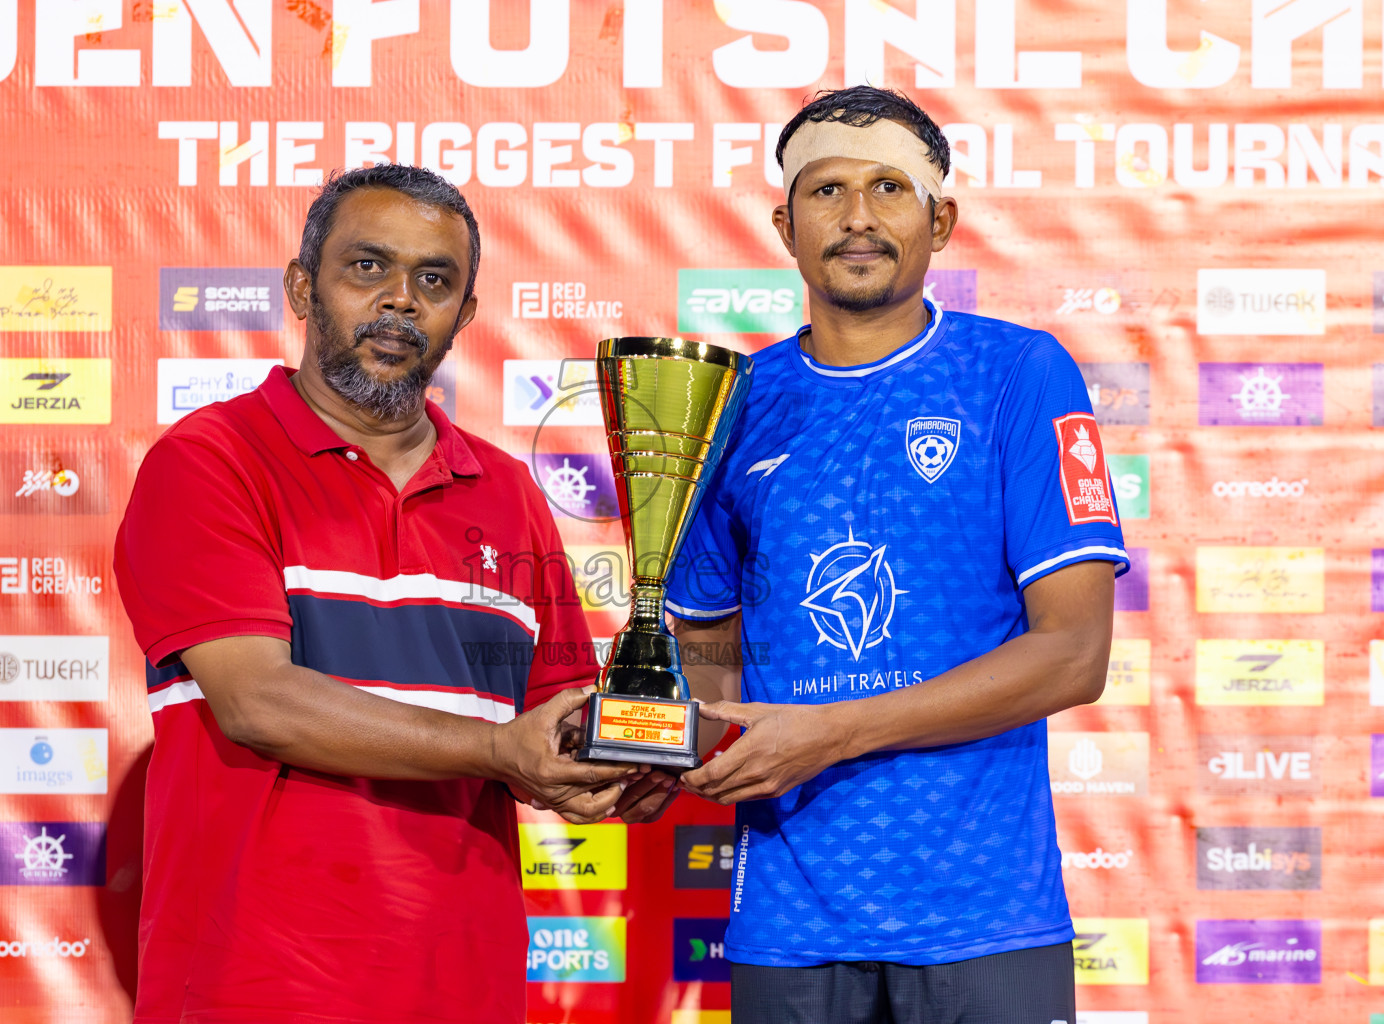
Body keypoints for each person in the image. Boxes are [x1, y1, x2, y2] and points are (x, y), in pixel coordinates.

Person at [113, 164, 672, 1024]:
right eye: (367, 267)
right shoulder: (209, 461)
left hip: (465, 986)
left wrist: (628, 761)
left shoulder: (508, 490)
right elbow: (259, 701)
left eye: (435, 279)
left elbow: (550, 724)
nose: (401, 300)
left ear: (466, 316)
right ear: (303, 287)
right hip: (255, 987)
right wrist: (499, 752)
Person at [666, 87, 1130, 1024]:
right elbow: (706, 638)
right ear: (785, 224)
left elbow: (1074, 655)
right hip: (791, 918)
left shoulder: (1020, 375)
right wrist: (689, 743)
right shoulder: (726, 404)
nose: (859, 217)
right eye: (828, 191)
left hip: (986, 916)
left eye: (890, 188)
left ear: (941, 220)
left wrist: (831, 732)